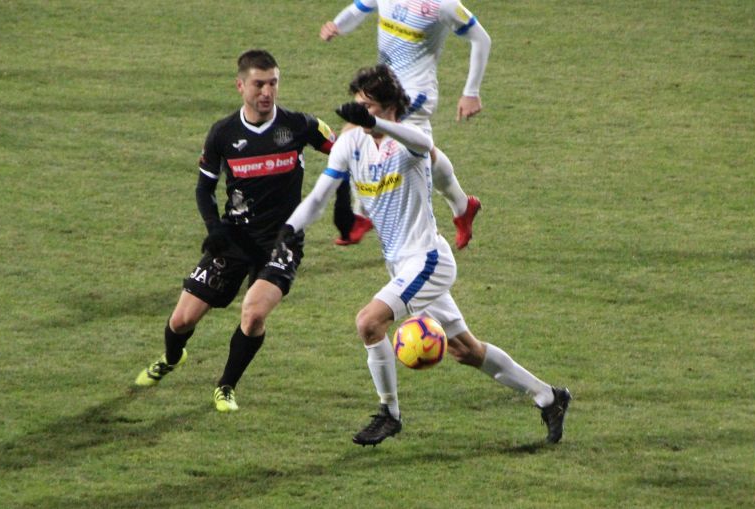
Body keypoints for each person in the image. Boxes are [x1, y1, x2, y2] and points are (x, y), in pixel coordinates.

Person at [272, 65, 570, 446]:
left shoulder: (408, 141)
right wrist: (289, 230)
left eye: (369, 107)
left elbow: (421, 142)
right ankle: (549, 397)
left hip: (428, 262)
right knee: (466, 350)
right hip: (402, 265)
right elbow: (318, 198)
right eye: (358, 106)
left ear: (391, 107)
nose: (361, 114)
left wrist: (377, 123)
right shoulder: (352, 144)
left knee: (368, 322)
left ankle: (389, 414)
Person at [134, 49, 336, 413]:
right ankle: (172, 357)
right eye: (259, 84)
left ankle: (225, 386)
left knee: (253, 314)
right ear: (240, 86)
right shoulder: (223, 134)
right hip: (235, 236)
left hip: (282, 241)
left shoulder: (299, 125)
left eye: (273, 83)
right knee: (181, 320)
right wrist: (214, 229)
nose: (267, 92)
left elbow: (345, 150)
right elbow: (204, 188)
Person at [320, 0, 491, 250]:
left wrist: (471, 92)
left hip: (415, 93)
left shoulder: (442, 5)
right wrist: (338, 25)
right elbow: (361, 7)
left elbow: (482, 39)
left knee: (357, 131)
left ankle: (361, 213)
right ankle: (463, 207)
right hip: (383, 89)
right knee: (423, 152)